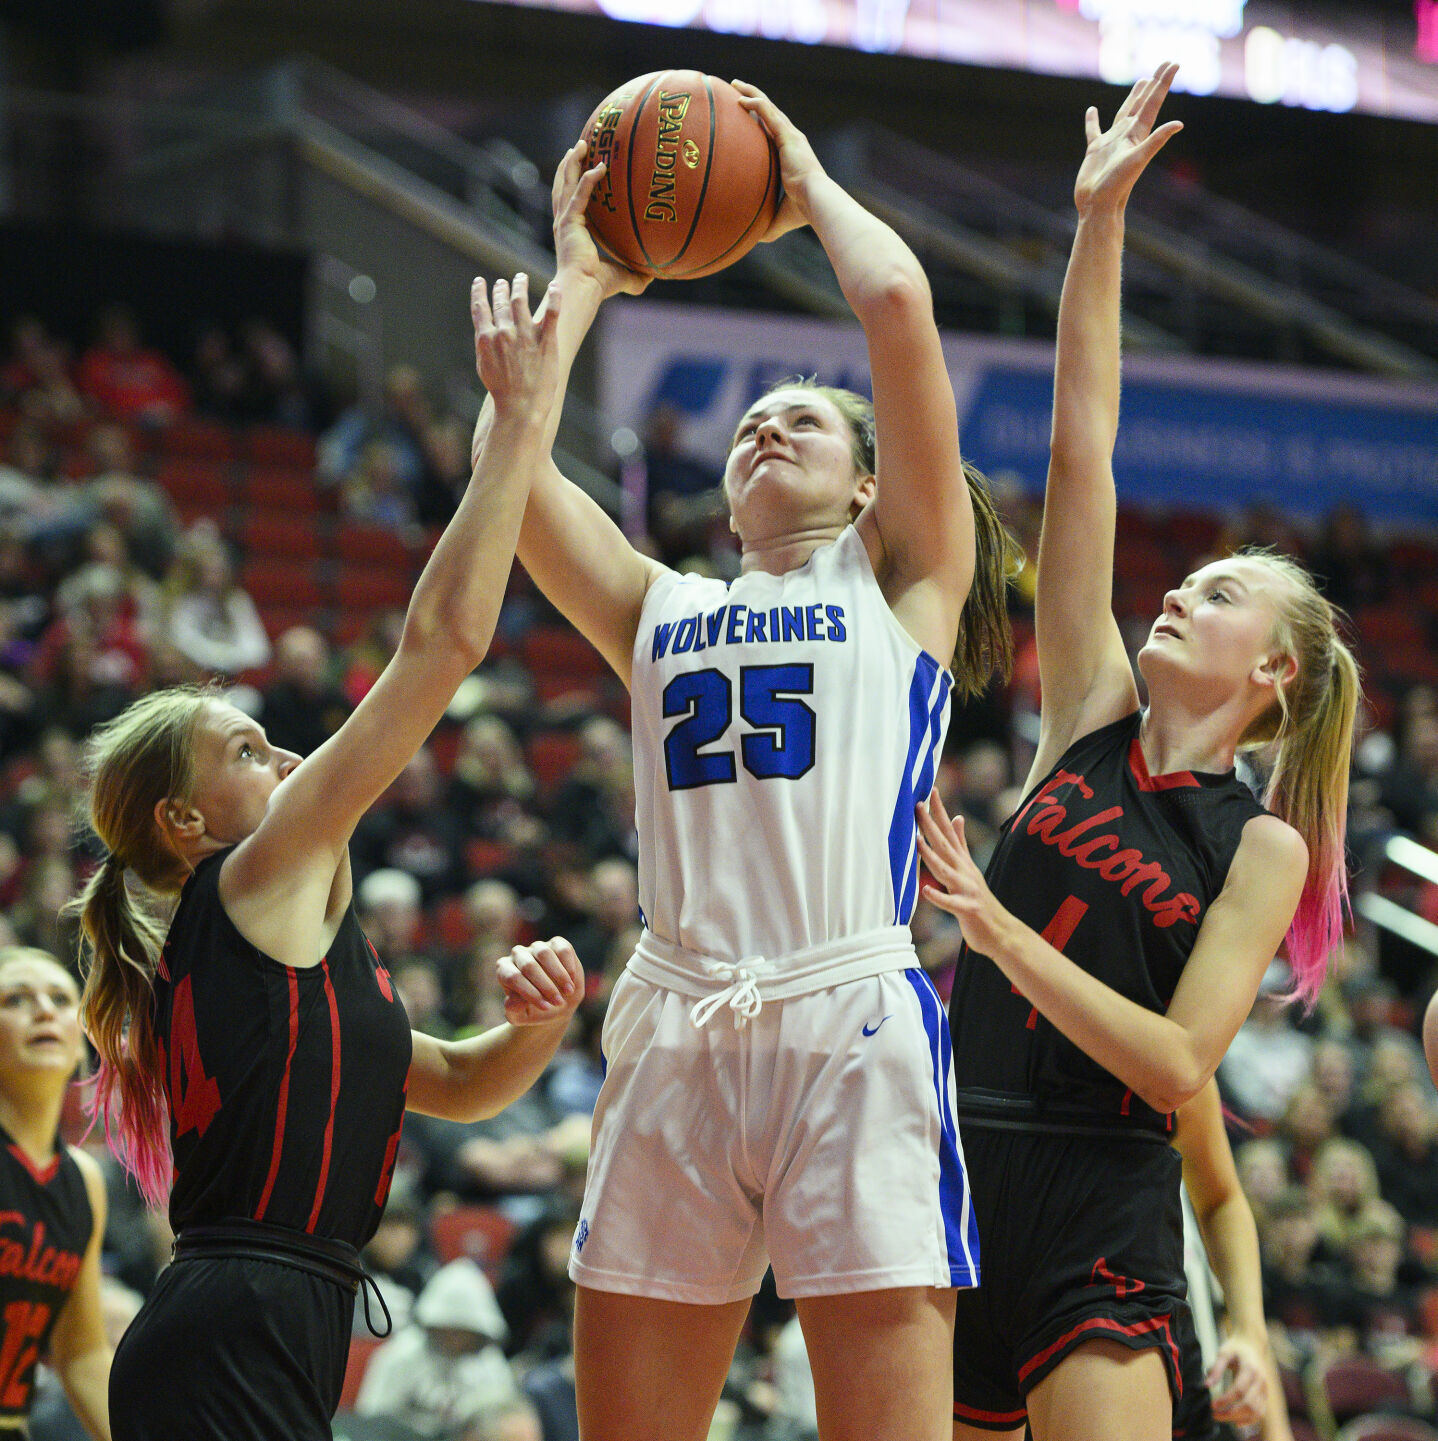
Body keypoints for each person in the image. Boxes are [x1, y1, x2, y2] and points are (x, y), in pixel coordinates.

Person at [474, 81, 1017, 1441]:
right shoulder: (657, 605)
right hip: (678, 1017)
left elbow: (895, 309)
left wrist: (800, 184)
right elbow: (510, 450)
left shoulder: (906, 585)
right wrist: (588, 272)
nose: (767, 427)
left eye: (806, 423)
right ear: (719, 495)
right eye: (748, 424)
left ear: (866, 489)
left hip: (849, 1018)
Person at [916, 64, 1359, 1441]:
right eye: (1191, 579)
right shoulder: (1088, 710)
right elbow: (1080, 446)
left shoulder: (1261, 842)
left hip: (1098, 1203)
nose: (1180, 591)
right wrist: (1097, 225)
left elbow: (1177, 1067)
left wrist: (993, 927)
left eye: (1223, 594)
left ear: (1272, 671)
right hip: (951, 1167)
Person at [69, 274, 587, 1441]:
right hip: (239, 1318)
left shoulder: (280, 938)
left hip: (260, 1316)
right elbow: (445, 643)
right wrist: (513, 432)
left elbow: (451, 1083)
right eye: (247, 750)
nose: (287, 753)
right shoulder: (247, 882)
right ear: (185, 825)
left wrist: (539, 1035)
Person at [0, 947, 112, 1440]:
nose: (44, 1009)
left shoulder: (84, 1182)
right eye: (15, 1000)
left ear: (79, 1046)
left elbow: (82, 1354)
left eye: (60, 999)